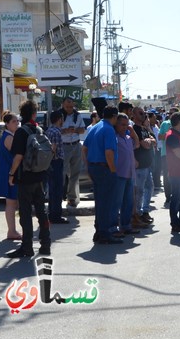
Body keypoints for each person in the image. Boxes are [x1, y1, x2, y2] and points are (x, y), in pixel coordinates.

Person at [6, 101, 52, 258]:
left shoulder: (21, 132)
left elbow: (18, 156)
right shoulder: (39, 129)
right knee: (41, 212)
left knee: (25, 214)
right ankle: (45, 245)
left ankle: (27, 247)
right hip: (39, 177)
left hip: (24, 179)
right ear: (34, 114)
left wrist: (11, 174)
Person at [82, 105, 122, 245]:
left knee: (100, 202)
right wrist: (112, 170)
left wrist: (88, 167)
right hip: (105, 169)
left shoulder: (95, 127)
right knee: (107, 203)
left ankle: (99, 231)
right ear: (114, 116)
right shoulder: (109, 129)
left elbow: (84, 148)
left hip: (95, 167)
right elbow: (109, 153)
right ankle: (104, 233)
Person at [0, 112, 23, 239]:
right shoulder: (9, 137)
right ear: (7, 124)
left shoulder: (10, 135)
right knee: (11, 203)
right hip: (10, 172)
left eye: (17, 121)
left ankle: (12, 231)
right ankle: (12, 231)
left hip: (10, 171)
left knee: (13, 202)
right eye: (14, 121)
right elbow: (17, 156)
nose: (17, 123)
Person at [114, 113, 140, 235]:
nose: (125, 127)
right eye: (122, 125)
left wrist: (131, 129)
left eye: (126, 125)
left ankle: (126, 225)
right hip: (119, 174)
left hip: (130, 174)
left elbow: (137, 143)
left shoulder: (128, 138)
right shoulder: (114, 138)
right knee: (117, 202)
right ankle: (115, 228)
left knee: (128, 202)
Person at [59, 97, 86, 208]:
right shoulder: (59, 115)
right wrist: (65, 131)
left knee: (75, 173)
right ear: (62, 105)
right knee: (62, 173)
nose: (70, 109)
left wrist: (74, 130)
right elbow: (54, 130)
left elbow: (83, 129)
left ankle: (72, 198)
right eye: (67, 107)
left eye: (71, 107)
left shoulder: (77, 115)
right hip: (63, 146)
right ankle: (58, 196)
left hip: (75, 144)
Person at [132, 107, 156, 225]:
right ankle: (138, 213)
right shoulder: (134, 128)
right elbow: (145, 145)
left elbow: (154, 140)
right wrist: (149, 141)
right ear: (134, 115)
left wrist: (148, 131)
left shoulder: (144, 128)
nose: (144, 116)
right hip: (139, 165)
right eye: (141, 113)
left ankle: (145, 211)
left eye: (144, 114)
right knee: (139, 191)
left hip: (147, 164)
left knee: (149, 188)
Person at [45, 111, 68, 224]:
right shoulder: (56, 132)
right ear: (59, 119)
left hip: (50, 163)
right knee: (57, 190)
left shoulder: (49, 130)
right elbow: (53, 148)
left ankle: (51, 213)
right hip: (56, 162)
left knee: (52, 190)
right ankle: (56, 215)